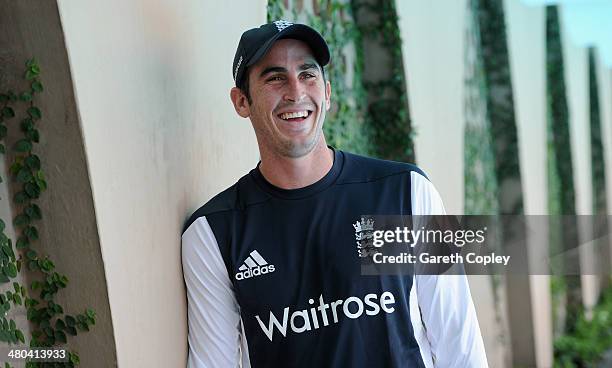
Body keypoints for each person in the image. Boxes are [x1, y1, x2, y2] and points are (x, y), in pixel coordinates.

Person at [181, 20, 488, 368]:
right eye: (274, 77)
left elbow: (458, 344)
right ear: (241, 102)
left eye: (307, 74)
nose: (295, 91)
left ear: (326, 92)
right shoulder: (214, 233)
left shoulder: (403, 192)